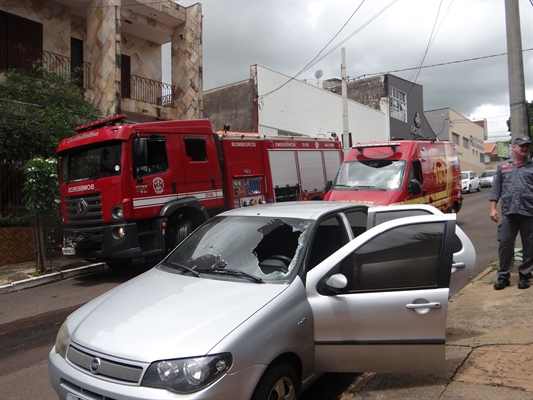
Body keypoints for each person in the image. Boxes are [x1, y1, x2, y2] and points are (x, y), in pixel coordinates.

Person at [489, 135, 533, 290]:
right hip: (509, 212)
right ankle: (503, 277)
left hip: (529, 212)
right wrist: (493, 208)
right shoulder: (503, 166)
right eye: (521, 145)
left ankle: (525, 276)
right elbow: (496, 189)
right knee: (505, 244)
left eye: (527, 145)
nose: (525, 148)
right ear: (514, 148)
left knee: (529, 245)